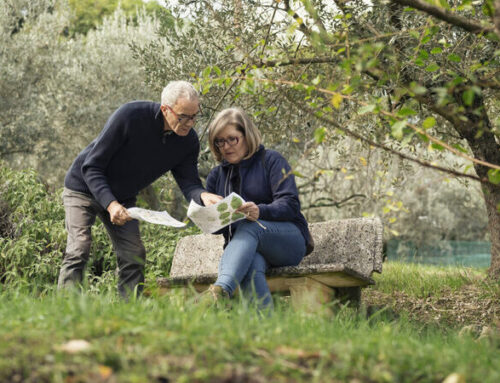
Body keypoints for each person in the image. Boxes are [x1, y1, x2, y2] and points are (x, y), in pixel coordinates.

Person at [58, 81, 221, 298]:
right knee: (79, 247)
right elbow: (92, 166)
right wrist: (110, 204)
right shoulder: (130, 116)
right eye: (184, 117)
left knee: (134, 254)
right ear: (165, 109)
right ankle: (65, 307)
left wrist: (203, 194)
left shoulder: (187, 142)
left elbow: (189, 182)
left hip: (123, 199)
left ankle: (129, 312)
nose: (190, 123)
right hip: (83, 187)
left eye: (195, 116)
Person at [205, 107, 313, 310]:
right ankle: (264, 330)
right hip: (248, 248)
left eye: (232, 139)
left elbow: (290, 204)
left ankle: (220, 289)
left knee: (250, 225)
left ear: (247, 136)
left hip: (288, 241)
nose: (226, 147)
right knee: (251, 263)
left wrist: (260, 211)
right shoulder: (216, 177)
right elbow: (218, 229)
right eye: (220, 141)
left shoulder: (271, 160)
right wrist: (209, 216)